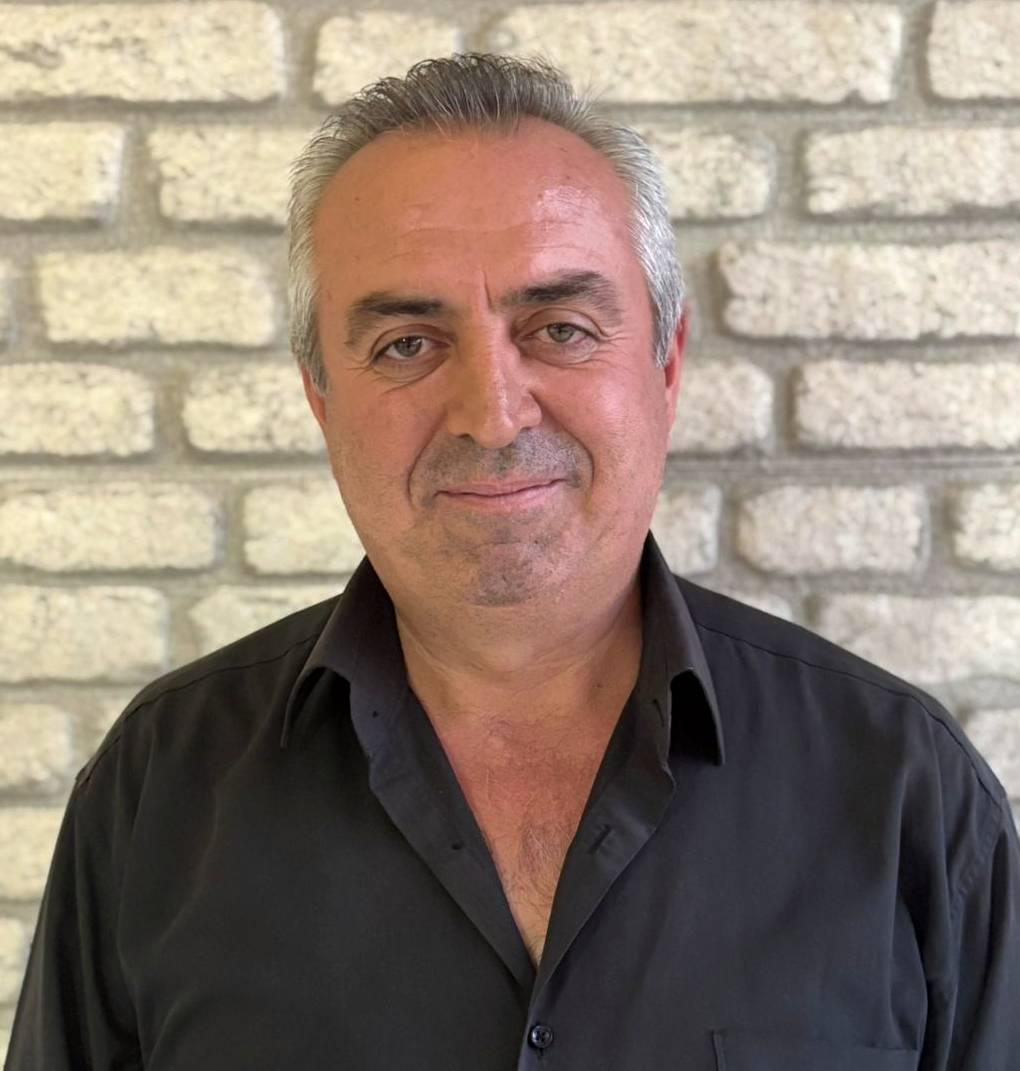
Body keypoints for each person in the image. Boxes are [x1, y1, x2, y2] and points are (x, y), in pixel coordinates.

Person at [6, 52, 1019, 1071]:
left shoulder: (906, 795)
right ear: (320, 396)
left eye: (560, 329)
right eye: (407, 344)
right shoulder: (157, 792)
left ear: (666, 365)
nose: (492, 416)